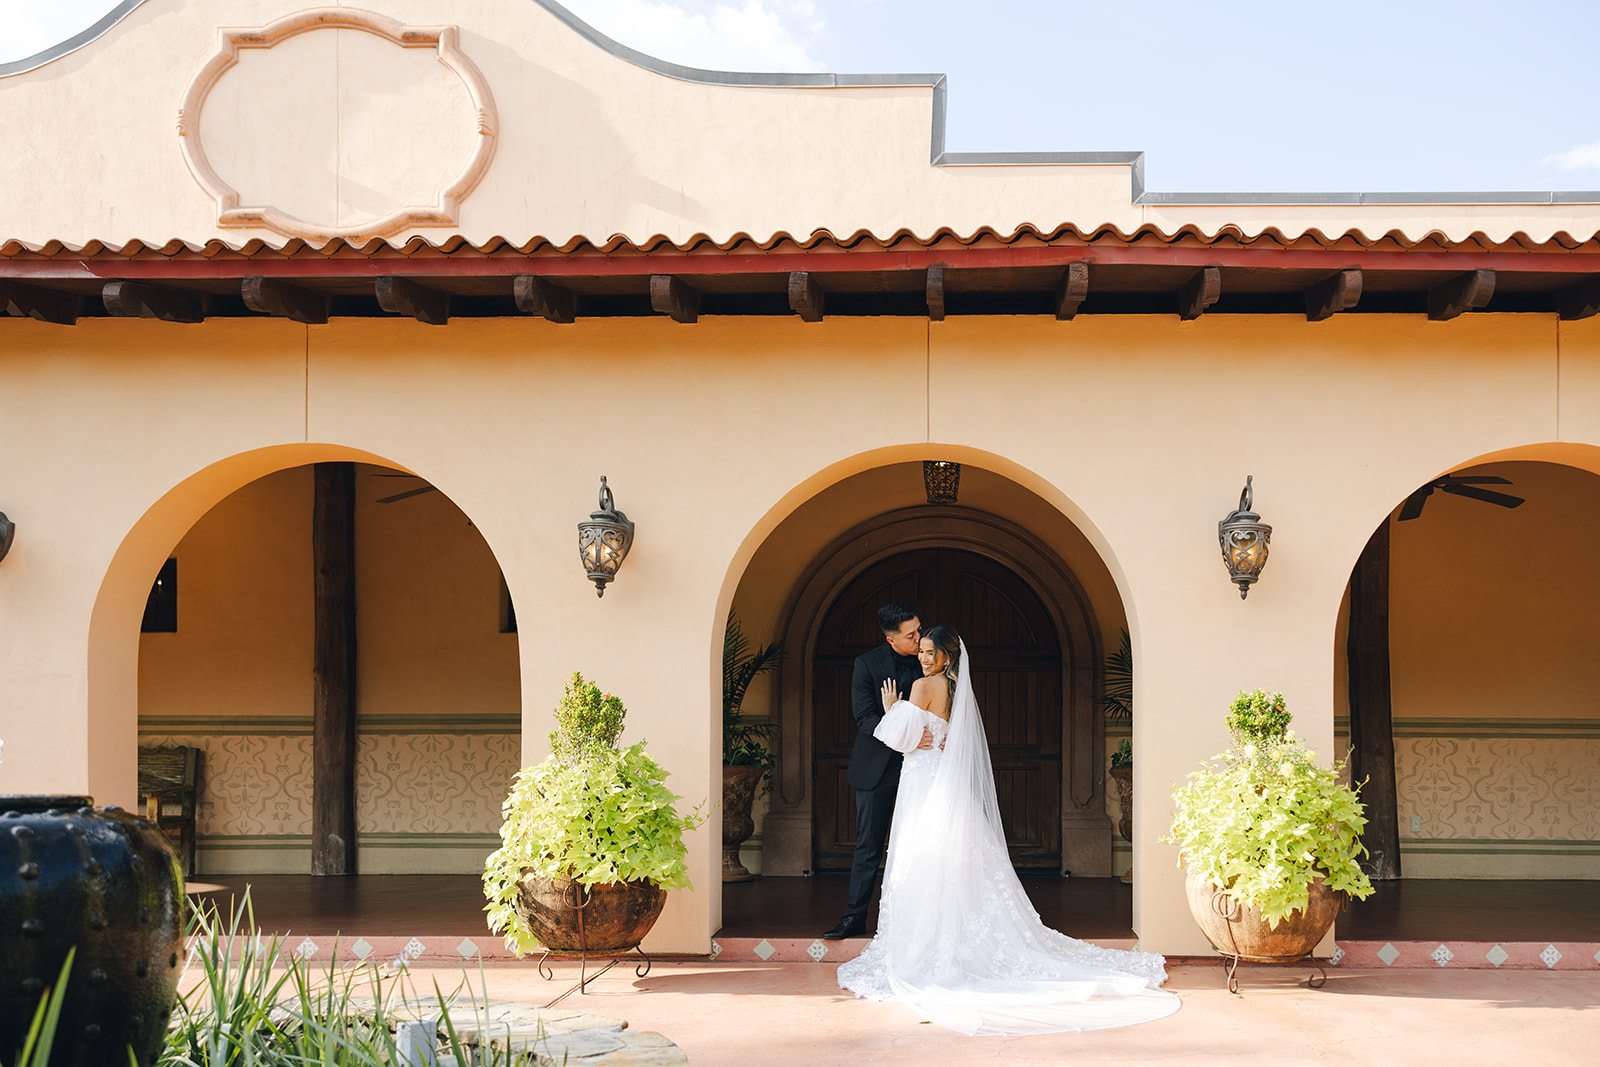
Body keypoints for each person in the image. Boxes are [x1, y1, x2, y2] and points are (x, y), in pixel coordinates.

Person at [836, 625, 1181, 1035]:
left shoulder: (923, 687)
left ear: (946, 656)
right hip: (942, 781)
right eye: (922, 651)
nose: (924, 658)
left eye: (930, 652)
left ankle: (929, 946)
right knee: (951, 855)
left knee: (922, 854)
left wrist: (891, 707)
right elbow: (939, 737)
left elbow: (898, 740)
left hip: (924, 783)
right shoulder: (955, 690)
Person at [822, 602, 926, 941]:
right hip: (876, 770)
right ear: (891, 639)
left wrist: (899, 717)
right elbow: (865, 720)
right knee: (868, 847)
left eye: (919, 629)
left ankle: (913, 925)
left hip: (923, 768)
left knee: (921, 847)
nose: (919, 638)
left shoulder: (931, 659)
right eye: (911, 635)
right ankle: (854, 918)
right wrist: (898, 721)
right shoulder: (867, 665)